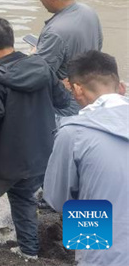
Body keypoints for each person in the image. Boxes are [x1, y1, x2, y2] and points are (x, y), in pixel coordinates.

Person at [0, 17, 70, 260]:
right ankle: (29, 251)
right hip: (38, 157)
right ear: (11, 38)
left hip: (1, 163)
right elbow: (62, 101)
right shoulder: (42, 67)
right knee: (25, 200)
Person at [44, 51, 129, 266]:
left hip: (106, 254)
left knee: (86, 204)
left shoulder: (73, 132)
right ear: (120, 87)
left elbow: (57, 199)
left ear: (78, 89)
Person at [34, 0, 103, 116]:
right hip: (90, 93)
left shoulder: (55, 31)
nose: (40, 0)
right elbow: (98, 46)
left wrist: (34, 55)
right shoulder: (89, 12)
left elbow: (39, 75)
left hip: (66, 101)